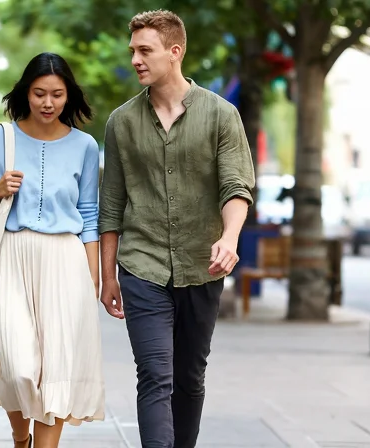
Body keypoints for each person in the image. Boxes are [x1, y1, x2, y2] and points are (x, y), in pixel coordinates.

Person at [98, 9, 255, 448]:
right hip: (141, 266)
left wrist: (229, 237)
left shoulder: (221, 115)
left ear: (175, 51)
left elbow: (235, 185)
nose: (135, 60)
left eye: (145, 50)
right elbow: (111, 204)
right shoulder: (121, 122)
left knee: (189, 378)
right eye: (133, 51)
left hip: (201, 265)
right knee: (154, 375)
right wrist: (107, 274)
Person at [0, 52, 105, 448]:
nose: (47, 102)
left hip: (66, 262)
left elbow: (90, 214)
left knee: (56, 371)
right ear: (26, 93)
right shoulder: (0, 138)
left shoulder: (85, 146)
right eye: (39, 93)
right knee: (20, 367)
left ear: (68, 96)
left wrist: (92, 279)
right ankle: (19, 436)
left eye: (57, 94)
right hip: (11, 257)